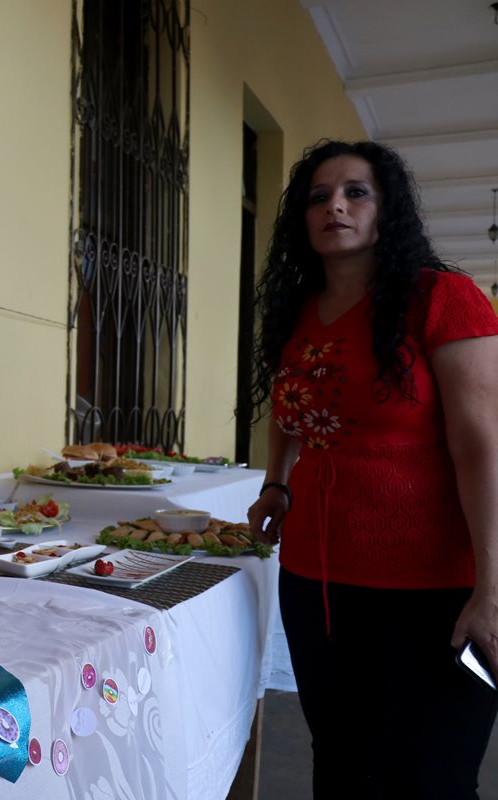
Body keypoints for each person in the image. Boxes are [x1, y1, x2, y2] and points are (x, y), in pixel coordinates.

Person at [247, 139, 498, 798]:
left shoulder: (443, 298)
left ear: (388, 208)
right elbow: (290, 402)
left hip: (436, 587)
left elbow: (483, 444)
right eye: (318, 196)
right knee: (340, 762)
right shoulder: (295, 311)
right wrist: (277, 477)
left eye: (356, 191)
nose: (336, 206)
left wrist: (492, 586)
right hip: (318, 580)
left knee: (428, 779)